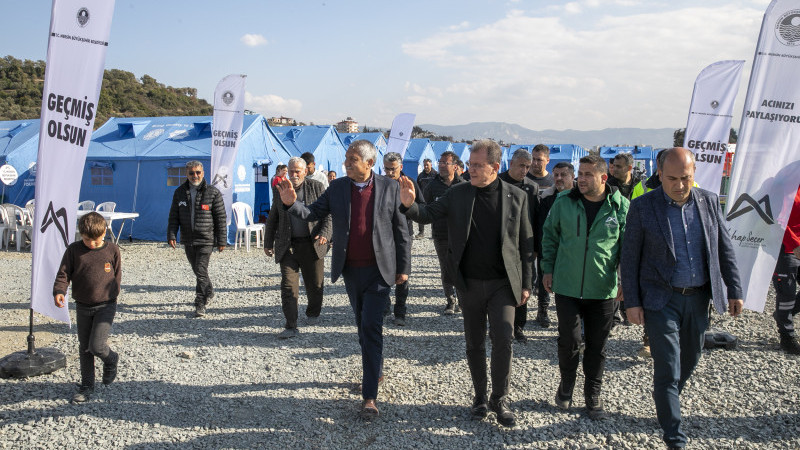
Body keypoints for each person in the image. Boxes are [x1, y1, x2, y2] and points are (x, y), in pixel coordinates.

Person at [400, 139, 534, 428]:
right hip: (468, 283)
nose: (469, 170)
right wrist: (409, 204)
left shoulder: (516, 196)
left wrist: (527, 283)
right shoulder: (458, 193)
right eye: (469, 164)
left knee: (503, 340)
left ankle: (501, 399)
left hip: (502, 284)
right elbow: (428, 214)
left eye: (476, 165)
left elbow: (525, 243)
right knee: (474, 343)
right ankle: (480, 397)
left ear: (495, 167)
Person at [277, 140, 411, 420]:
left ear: (369, 163)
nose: (347, 164)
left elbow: (402, 231)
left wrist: (404, 267)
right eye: (346, 159)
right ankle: (374, 368)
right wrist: (292, 204)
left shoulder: (389, 188)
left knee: (372, 327)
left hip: (379, 271)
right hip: (351, 270)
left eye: (353, 160)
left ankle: (369, 397)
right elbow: (313, 214)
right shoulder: (337, 188)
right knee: (362, 327)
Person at [621, 147, 743, 449]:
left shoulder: (710, 202)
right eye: (672, 178)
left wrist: (735, 289)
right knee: (668, 366)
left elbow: (724, 249)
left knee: (690, 359)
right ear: (659, 174)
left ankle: (667, 398)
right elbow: (630, 257)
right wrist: (632, 302)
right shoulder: (642, 207)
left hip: (699, 298)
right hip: (662, 300)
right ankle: (674, 437)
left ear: (694, 173)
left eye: (685, 178)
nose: (679, 185)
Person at [541, 154, 628, 421]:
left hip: (602, 289)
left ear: (603, 178)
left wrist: (625, 281)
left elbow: (628, 248)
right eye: (580, 173)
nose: (581, 179)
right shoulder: (563, 202)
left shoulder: (620, 207)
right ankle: (567, 385)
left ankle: (593, 393)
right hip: (567, 286)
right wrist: (548, 268)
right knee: (568, 341)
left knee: (597, 345)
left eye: (588, 174)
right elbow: (550, 236)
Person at [53, 212, 121, 403]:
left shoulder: (112, 250)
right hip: (82, 305)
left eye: (96, 240)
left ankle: (111, 359)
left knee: (97, 346)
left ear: (104, 234)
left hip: (106, 305)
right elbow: (63, 274)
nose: (91, 243)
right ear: (81, 234)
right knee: (85, 349)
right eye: (86, 239)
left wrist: (112, 294)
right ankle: (87, 385)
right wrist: (60, 290)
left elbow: (116, 275)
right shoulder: (73, 250)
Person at [264, 157, 332, 339]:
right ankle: (291, 325)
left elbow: (328, 215)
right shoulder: (280, 189)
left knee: (315, 284)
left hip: (313, 244)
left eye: (297, 172)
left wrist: (325, 232)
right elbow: (273, 216)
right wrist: (268, 242)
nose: (293, 175)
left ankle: (313, 312)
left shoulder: (317, 187)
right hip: (288, 246)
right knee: (288, 286)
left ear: (305, 172)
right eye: (290, 171)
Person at [167, 161, 227, 317]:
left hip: (206, 239)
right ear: (187, 174)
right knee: (198, 270)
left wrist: (221, 240)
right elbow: (174, 216)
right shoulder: (179, 192)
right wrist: (172, 235)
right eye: (192, 173)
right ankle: (209, 290)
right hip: (188, 239)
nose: (195, 176)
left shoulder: (213, 192)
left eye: (198, 172)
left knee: (200, 270)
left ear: (203, 172)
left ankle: (200, 303)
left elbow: (220, 218)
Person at [498, 148, 539, 343]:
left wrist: (536, 246)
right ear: (511, 163)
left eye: (528, 167)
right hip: (501, 241)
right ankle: (498, 324)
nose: (524, 170)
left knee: (523, 284)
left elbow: (536, 218)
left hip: (523, 243)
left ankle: (519, 325)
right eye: (521, 165)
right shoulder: (497, 182)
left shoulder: (532, 187)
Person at [382, 152, 424, 326]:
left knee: (403, 273)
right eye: (386, 169)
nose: (390, 172)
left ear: (401, 167)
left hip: (404, 233)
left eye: (393, 169)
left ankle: (400, 311)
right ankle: (384, 306)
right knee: (382, 270)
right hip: (383, 233)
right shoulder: (380, 183)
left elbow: (422, 207)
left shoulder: (410, 183)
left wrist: (409, 205)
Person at [423, 150, 466, 314]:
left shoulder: (463, 185)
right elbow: (424, 208)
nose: (441, 165)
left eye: (445, 163)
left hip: (461, 235)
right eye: (440, 162)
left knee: (461, 267)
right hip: (441, 235)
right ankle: (450, 300)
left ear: (455, 166)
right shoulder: (432, 186)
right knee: (446, 268)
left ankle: (463, 301)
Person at [535, 161, 576, 327]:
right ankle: (542, 310)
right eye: (556, 175)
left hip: (571, 249)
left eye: (563, 175)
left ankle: (569, 322)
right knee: (545, 278)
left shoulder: (580, 197)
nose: (558, 178)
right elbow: (541, 226)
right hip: (550, 246)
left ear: (572, 177)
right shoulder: (546, 197)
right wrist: (540, 248)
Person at [606, 152, 644, 327]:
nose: (614, 169)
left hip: (636, 233)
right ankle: (613, 317)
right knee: (614, 275)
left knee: (630, 274)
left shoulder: (641, 185)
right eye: (613, 166)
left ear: (629, 168)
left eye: (619, 166)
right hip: (614, 234)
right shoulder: (608, 185)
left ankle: (627, 310)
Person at [772, 184, 800, 354]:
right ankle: (787, 337)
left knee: (787, 302)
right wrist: (794, 244)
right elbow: (776, 219)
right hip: (785, 247)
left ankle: (783, 316)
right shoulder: (784, 185)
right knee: (787, 293)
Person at [415, 158, 437, 238]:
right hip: (423, 199)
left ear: (431, 165)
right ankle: (421, 233)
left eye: (427, 165)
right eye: (424, 165)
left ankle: (434, 233)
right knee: (420, 215)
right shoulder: (421, 176)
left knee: (434, 216)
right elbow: (417, 187)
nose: (426, 166)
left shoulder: (435, 175)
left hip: (432, 199)